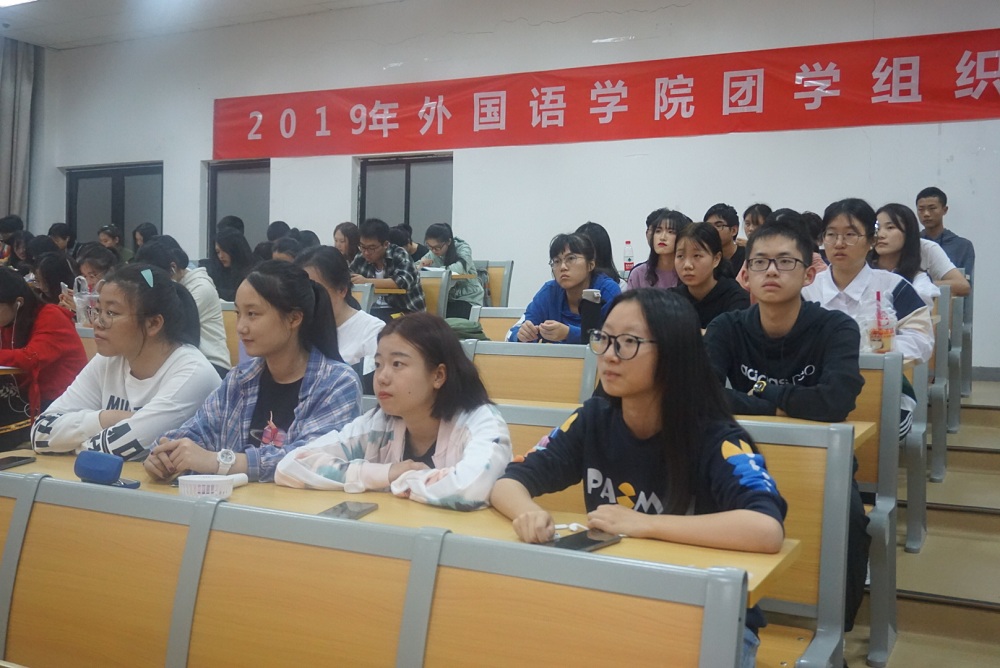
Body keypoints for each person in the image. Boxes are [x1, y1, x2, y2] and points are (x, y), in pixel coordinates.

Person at [492, 289, 786, 666]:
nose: (609, 354)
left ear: (673, 354)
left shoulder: (717, 438)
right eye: (604, 338)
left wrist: (644, 524)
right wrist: (526, 513)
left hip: (710, 615)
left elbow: (765, 528)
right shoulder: (592, 420)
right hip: (616, 600)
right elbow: (510, 481)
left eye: (629, 342)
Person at [703, 217, 869, 634]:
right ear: (745, 275)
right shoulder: (726, 328)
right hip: (739, 458)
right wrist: (785, 404)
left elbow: (836, 401)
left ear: (809, 273)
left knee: (849, 519)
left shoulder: (836, 328)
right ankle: (722, 619)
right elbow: (703, 394)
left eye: (785, 261)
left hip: (819, 461)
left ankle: (833, 632)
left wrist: (761, 396)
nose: (771, 271)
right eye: (760, 262)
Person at [144, 260, 362, 483]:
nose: (241, 327)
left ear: (294, 318)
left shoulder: (337, 383)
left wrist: (221, 462)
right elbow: (198, 430)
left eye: (253, 314)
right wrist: (165, 454)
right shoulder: (240, 379)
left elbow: (310, 460)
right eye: (238, 313)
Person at [275, 312, 512, 510]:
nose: (382, 377)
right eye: (378, 364)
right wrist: (386, 473)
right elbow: (291, 465)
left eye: (397, 364)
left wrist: (403, 479)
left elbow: (468, 489)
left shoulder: (481, 422)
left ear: (438, 375)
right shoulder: (379, 424)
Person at [31, 264, 221, 460]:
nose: (97, 322)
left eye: (111, 313)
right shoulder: (109, 359)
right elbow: (39, 433)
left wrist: (67, 443)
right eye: (98, 310)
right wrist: (106, 418)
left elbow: (114, 449)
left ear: (153, 323)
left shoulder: (194, 374)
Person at [802, 198, 933, 439]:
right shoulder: (807, 290)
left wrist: (878, 348)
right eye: (831, 235)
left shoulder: (894, 286)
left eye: (850, 235)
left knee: (877, 435)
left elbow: (922, 341)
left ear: (871, 241)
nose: (839, 243)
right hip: (816, 390)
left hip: (883, 391)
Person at [0, 268, 87, 450]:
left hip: (57, 405)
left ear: (18, 302)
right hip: (25, 399)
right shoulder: (9, 321)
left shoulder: (51, 316)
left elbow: (30, 358)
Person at [135, 237, 232, 378]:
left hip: (211, 364)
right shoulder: (173, 287)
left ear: (172, 268)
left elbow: (169, 326)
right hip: (178, 360)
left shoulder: (201, 288)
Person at [507, 233, 621, 344]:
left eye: (571, 258)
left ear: (591, 264)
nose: (563, 267)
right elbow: (512, 333)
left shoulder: (608, 291)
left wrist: (569, 334)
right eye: (556, 261)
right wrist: (521, 335)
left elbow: (617, 339)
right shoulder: (549, 292)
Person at [296, 245, 384, 374]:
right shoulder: (298, 329)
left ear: (342, 289)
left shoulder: (373, 331)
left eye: (315, 291)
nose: (307, 299)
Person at [671, 222, 749, 328]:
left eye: (697, 256)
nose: (687, 265)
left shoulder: (736, 298)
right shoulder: (671, 299)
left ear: (716, 259)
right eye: (680, 256)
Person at [350, 218, 425, 322]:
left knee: (374, 322)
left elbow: (402, 281)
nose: (366, 252)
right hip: (373, 309)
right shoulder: (360, 257)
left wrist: (366, 281)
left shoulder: (399, 254)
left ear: (385, 244)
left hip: (406, 312)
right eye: (362, 247)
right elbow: (348, 276)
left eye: (372, 248)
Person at [871, 204, 941, 308]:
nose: (880, 235)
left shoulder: (918, 281)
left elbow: (919, 315)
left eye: (890, 227)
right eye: (877, 228)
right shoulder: (861, 271)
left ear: (908, 233)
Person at [418, 222, 484, 319]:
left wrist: (437, 270)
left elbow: (460, 268)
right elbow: (414, 267)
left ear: (448, 241)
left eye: (437, 247)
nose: (434, 251)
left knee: (441, 318)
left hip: (467, 298)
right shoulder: (432, 253)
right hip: (446, 299)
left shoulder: (463, 248)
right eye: (430, 247)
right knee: (424, 315)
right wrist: (420, 266)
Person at [917, 186, 975, 280]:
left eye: (932, 208)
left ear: (945, 210)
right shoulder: (911, 243)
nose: (926, 214)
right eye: (921, 209)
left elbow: (965, 284)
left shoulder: (962, 246)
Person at [625, 208, 690, 291]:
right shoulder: (638, 274)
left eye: (670, 232)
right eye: (658, 231)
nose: (662, 237)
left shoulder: (688, 272)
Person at [58, 244, 118, 315]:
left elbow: (106, 320)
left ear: (110, 272)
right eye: (84, 276)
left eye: (92, 276)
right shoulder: (90, 296)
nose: (88, 282)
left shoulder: (118, 297)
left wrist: (81, 309)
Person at [213, 227, 255, 301]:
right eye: (218, 252)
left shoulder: (253, 274)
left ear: (235, 249)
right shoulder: (217, 272)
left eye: (225, 251)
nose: (221, 256)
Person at [704, 203, 745, 275]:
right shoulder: (704, 257)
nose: (712, 230)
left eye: (718, 225)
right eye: (708, 226)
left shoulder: (747, 257)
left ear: (734, 230)